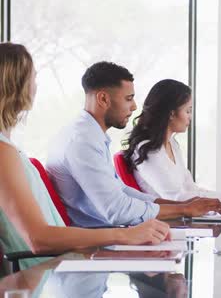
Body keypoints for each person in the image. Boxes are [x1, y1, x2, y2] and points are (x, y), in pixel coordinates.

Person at [0, 43, 170, 269]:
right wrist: (124, 236)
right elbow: (37, 239)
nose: (36, 86)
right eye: (33, 78)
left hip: (58, 263)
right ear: (17, 84)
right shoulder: (4, 152)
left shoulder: (8, 148)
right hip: (41, 274)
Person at [46, 62, 221, 228]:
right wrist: (183, 209)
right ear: (103, 99)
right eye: (128, 98)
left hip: (108, 234)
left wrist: (181, 205)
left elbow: (121, 190)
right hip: (95, 243)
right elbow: (118, 210)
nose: (134, 107)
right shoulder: (82, 141)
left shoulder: (90, 135)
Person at [122, 79, 221, 205]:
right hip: (168, 224)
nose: (190, 117)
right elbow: (175, 198)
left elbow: (191, 189)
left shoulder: (172, 144)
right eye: (188, 111)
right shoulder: (148, 150)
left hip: (182, 217)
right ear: (171, 114)